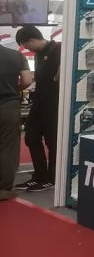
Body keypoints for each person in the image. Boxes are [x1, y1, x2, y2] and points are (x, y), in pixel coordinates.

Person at [14, 26, 60, 193]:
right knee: (31, 137)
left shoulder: (58, 49)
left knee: (52, 141)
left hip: (53, 104)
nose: (27, 49)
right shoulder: (39, 54)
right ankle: (40, 175)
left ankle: (52, 178)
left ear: (32, 40)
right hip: (38, 102)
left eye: (26, 45)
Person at [0, 45, 32, 201]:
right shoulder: (17, 56)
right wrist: (14, 88)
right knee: (8, 148)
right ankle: (4, 189)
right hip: (9, 105)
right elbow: (27, 80)